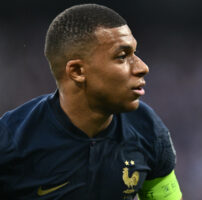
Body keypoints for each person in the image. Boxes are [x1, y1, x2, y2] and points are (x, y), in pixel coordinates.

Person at [0, 4, 182, 200]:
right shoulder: (11, 140)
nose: (142, 67)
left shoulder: (147, 129)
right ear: (77, 71)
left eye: (135, 54)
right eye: (122, 56)